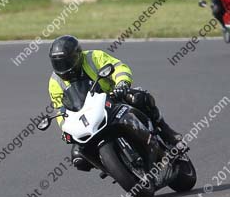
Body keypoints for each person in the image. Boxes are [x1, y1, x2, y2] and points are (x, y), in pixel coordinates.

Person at [47, 35, 181, 172]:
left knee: (141, 98)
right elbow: (60, 110)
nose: (63, 68)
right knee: (78, 157)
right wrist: (65, 128)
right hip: (86, 117)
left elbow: (119, 67)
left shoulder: (94, 57)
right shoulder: (55, 82)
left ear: (77, 55)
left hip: (113, 98)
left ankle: (166, 131)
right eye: (58, 64)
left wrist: (122, 83)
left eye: (67, 62)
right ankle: (112, 167)